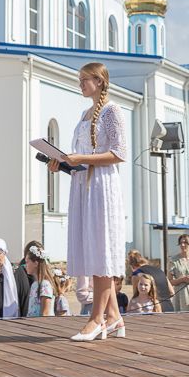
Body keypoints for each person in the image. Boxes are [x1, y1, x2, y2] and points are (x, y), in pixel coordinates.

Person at [48, 62, 127, 342]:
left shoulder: (112, 111)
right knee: (92, 248)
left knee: (100, 250)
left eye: (85, 79)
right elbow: (81, 157)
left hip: (102, 186)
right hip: (83, 185)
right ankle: (114, 317)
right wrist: (63, 163)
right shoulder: (84, 114)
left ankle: (96, 320)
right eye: (79, 79)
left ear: (100, 81)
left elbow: (118, 153)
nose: (80, 84)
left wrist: (81, 158)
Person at [169, 234, 189, 311]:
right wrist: (182, 280)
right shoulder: (173, 260)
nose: (183, 245)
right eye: (181, 243)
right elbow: (170, 282)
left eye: (185, 242)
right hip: (180, 295)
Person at [24, 245, 55, 316]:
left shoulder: (45, 285)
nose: (25, 265)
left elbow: (45, 313)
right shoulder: (34, 284)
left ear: (35, 263)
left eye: (27, 262)